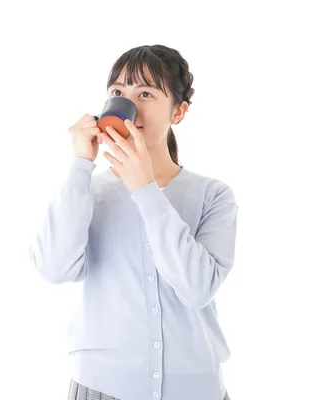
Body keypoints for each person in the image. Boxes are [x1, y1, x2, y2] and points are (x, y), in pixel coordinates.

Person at [28, 44, 238, 400]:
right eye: (117, 93)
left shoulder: (213, 195)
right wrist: (81, 164)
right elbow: (53, 268)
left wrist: (146, 190)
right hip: (102, 388)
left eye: (145, 93)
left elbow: (198, 288)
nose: (128, 105)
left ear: (179, 112)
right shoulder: (88, 191)